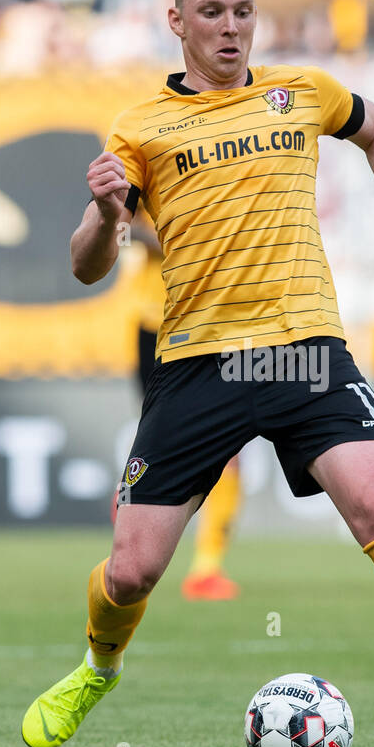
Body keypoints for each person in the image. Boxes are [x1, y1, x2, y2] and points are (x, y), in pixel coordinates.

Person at [22, 0, 374, 747]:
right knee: (133, 570)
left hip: (304, 348)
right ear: (176, 20)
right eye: (212, 12)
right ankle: (96, 669)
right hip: (198, 359)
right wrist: (109, 215)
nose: (231, 28)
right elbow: (85, 263)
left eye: (243, 11)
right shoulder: (141, 127)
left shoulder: (301, 92)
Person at [122, 218, 244, 601]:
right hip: (157, 324)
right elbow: (119, 227)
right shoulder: (145, 157)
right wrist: (185, 239)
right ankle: (129, 551)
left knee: (229, 446)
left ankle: (207, 568)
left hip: (216, 325)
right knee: (157, 442)